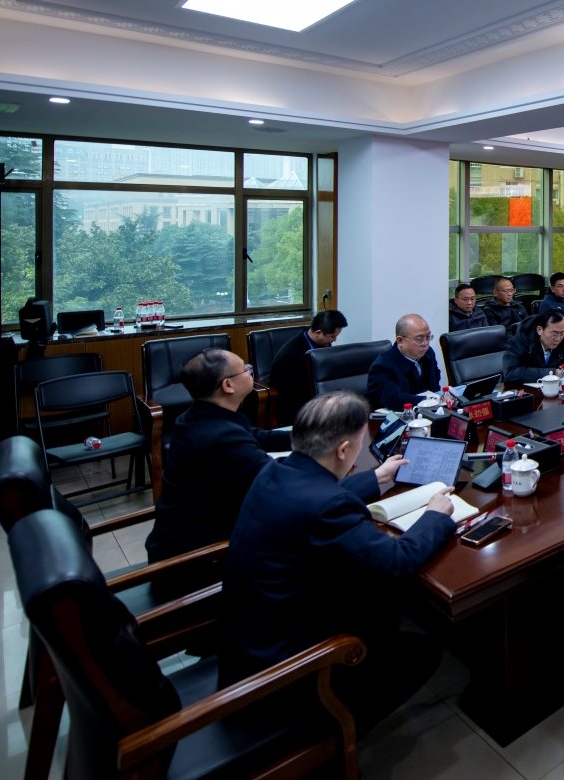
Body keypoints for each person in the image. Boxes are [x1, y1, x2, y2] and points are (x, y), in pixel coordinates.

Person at [220, 391, 460, 732]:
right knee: (424, 650)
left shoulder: (275, 470)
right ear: (344, 450)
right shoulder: (328, 508)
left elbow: (312, 495)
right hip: (287, 676)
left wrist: (376, 476)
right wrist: (435, 515)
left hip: (246, 647)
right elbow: (397, 561)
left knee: (383, 609)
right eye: (360, 443)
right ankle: (335, 735)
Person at [147, 349, 291, 578]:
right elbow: (278, 481)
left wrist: (306, 437)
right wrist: (324, 456)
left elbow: (252, 436)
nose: (251, 371)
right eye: (246, 369)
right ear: (228, 385)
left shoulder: (196, 417)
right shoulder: (222, 437)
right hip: (197, 563)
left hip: (177, 543)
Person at [269, 309, 347, 426]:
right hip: (297, 404)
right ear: (318, 333)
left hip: (320, 398)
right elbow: (304, 390)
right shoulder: (291, 356)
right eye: (332, 336)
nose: (334, 340)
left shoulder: (322, 344)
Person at [367, 314, 442, 411]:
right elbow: (394, 399)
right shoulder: (382, 367)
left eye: (428, 337)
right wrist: (429, 400)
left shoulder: (428, 354)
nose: (425, 343)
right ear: (400, 341)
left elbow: (434, 386)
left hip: (428, 412)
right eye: (419, 339)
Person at [502, 309, 564, 384]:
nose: (558, 338)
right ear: (539, 330)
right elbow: (510, 373)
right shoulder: (517, 343)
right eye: (554, 334)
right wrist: (551, 373)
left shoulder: (563, 340)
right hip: (525, 393)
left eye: (562, 333)